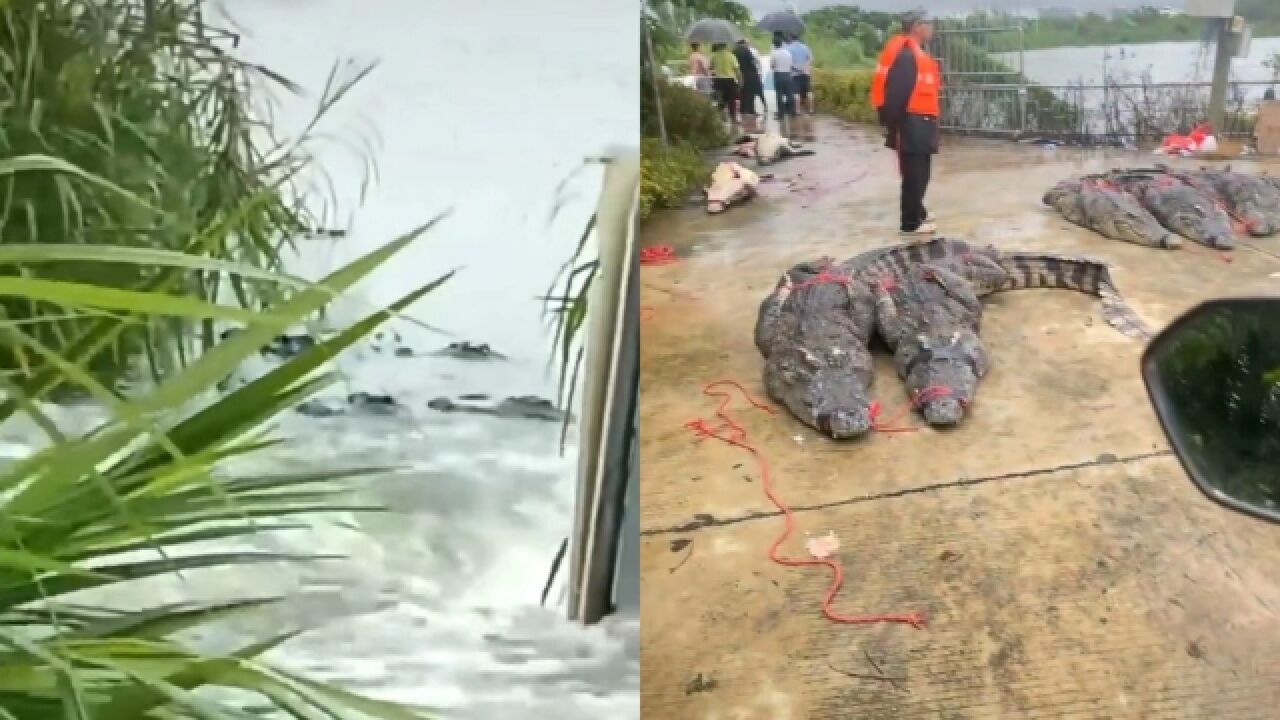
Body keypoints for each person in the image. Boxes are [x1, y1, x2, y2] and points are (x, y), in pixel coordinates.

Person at [871, 8, 941, 237]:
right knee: (914, 174)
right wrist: (896, 128)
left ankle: (918, 211)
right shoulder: (906, 56)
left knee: (922, 173)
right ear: (917, 26)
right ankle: (910, 223)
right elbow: (896, 96)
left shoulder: (915, 53)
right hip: (911, 124)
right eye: (929, 24)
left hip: (921, 123)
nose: (932, 28)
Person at [733, 39, 764, 131]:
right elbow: (752, 62)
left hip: (739, 74)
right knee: (750, 93)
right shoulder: (746, 50)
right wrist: (756, 72)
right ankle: (750, 110)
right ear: (743, 43)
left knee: (742, 92)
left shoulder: (734, 51)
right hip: (749, 74)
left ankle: (742, 109)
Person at [709, 42, 742, 124]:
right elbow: (737, 70)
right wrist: (740, 81)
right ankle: (733, 119)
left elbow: (710, 67)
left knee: (721, 101)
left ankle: (717, 118)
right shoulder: (731, 55)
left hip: (719, 81)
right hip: (730, 81)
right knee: (732, 101)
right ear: (725, 45)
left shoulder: (714, 56)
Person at [769, 34, 796, 120]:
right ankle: (791, 111)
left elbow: (772, 66)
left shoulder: (775, 54)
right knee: (789, 94)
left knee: (779, 95)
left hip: (778, 75)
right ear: (781, 43)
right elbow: (791, 65)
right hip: (788, 75)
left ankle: (781, 114)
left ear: (774, 44)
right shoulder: (788, 53)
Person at [787, 34, 814, 114]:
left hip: (795, 74)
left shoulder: (789, 48)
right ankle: (811, 109)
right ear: (799, 38)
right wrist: (805, 67)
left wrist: (796, 68)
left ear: (791, 38)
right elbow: (811, 59)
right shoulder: (805, 47)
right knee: (809, 91)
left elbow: (788, 61)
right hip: (806, 72)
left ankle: (798, 110)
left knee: (796, 93)